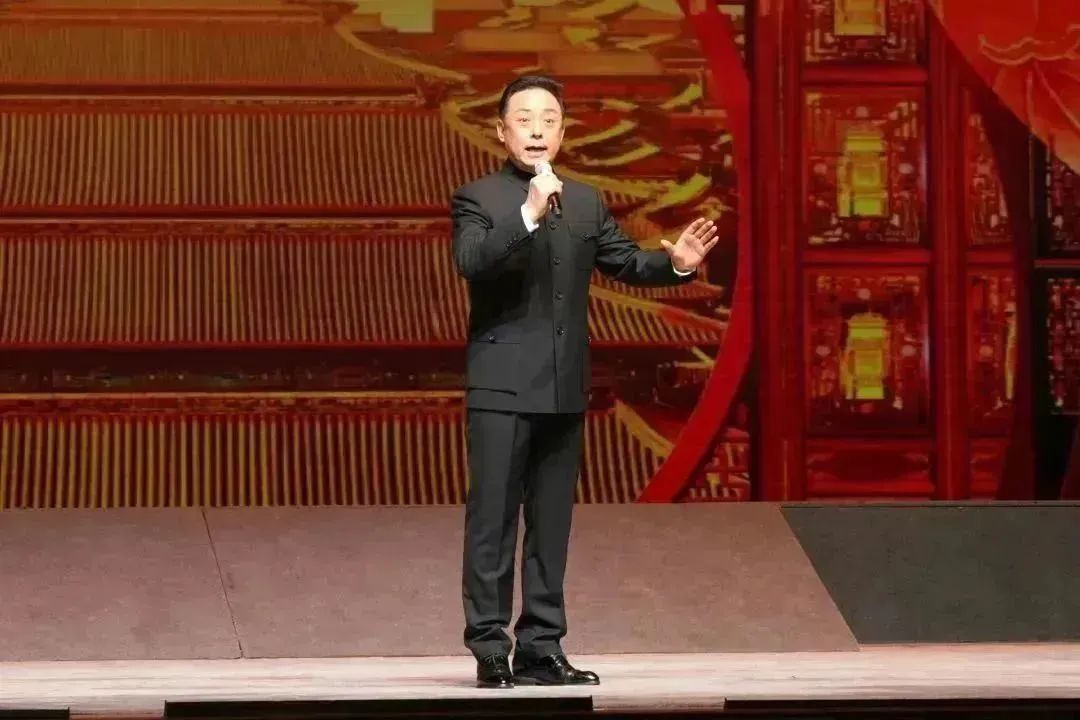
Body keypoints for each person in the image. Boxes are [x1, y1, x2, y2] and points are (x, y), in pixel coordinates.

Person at [450, 75, 719, 688]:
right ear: (501, 131)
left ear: (563, 132)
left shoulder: (588, 202)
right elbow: (472, 261)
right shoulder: (478, 198)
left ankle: (542, 647)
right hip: (501, 386)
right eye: (524, 119)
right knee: (493, 521)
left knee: (552, 524)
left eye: (549, 119)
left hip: (565, 385)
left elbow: (626, 262)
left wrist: (676, 265)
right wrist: (528, 213)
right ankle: (489, 645)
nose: (537, 130)